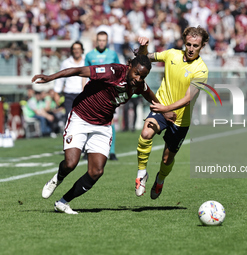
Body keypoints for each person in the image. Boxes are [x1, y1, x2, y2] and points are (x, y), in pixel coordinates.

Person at [33, 55, 173, 214]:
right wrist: (50, 78)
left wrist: (165, 112)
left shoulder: (138, 85)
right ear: (129, 66)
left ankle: (63, 202)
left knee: (96, 171)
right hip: (81, 118)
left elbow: (151, 97)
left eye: (143, 76)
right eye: (136, 73)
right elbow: (79, 70)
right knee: (71, 163)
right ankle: (57, 178)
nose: (138, 78)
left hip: (103, 126)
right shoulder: (112, 71)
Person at [135, 26, 209, 199]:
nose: (191, 49)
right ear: (184, 42)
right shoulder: (171, 54)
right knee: (145, 134)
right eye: (189, 44)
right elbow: (144, 58)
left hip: (180, 119)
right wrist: (144, 46)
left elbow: (188, 98)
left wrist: (165, 109)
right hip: (161, 108)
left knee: (167, 159)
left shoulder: (201, 69)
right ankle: (141, 174)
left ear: (202, 46)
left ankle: (160, 179)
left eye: (195, 46)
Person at [85, 31, 120, 160]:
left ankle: (112, 151)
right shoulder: (89, 55)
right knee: (88, 120)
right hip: (93, 93)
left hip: (109, 93)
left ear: (107, 41)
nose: (101, 42)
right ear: (96, 40)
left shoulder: (113, 55)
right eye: (99, 40)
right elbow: (85, 73)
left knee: (109, 121)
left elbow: (118, 72)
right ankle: (87, 150)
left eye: (104, 40)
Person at [54, 41, 85, 122]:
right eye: (74, 49)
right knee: (69, 118)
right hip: (69, 94)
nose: (77, 51)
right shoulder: (66, 63)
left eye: (78, 48)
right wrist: (56, 92)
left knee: (82, 119)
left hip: (82, 94)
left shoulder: (86, 62)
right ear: (72, 50)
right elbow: (60, 78)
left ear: (82, 50)